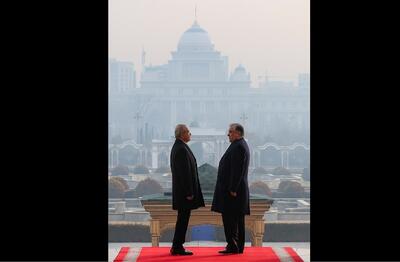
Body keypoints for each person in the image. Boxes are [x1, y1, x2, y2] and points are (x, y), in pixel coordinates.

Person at [211, 123, 250, 254]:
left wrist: (233, 188)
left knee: (231, 220)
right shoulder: (238, 145)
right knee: (235, 220)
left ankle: (233, 246)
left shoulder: (239, 147)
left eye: (231, 132)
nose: (228, 134)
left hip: (233, 192)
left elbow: (237, 170)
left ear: (238, 133)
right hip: (233, 191)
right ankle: (236, 246)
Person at [170, 124, 205, 255]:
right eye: (188, 132)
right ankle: (177, 247)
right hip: (184, 194)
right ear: (182, 134)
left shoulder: (180, 147)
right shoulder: (181, 149)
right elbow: (184, 174)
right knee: (182, 220)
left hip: (182, 193)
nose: (190, 134)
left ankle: (177, 245)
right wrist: (189, 192)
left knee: (183, 219)